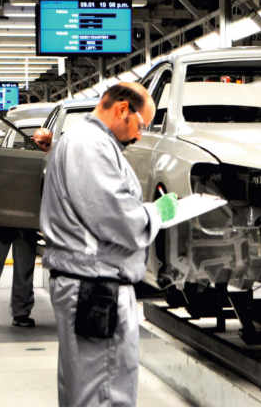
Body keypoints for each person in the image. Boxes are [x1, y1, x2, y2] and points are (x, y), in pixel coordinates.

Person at [40, 83, 179, 407]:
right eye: (141, 125)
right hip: (96, 288)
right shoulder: (89, 145)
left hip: (90, 283)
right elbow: (123, 223)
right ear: (121, 109)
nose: (139, 136)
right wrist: (157, 211)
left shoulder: (85, 140)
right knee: (103, 395)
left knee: (88, 390)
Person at [0, 127, 53, 327]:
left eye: (46, 144)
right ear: (31, 140)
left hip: (27, 226)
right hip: (3, 222)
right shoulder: (13, 159)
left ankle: (21, 314)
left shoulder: (50, 166)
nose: (42, 147)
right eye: (39, 142)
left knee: (24, 272)